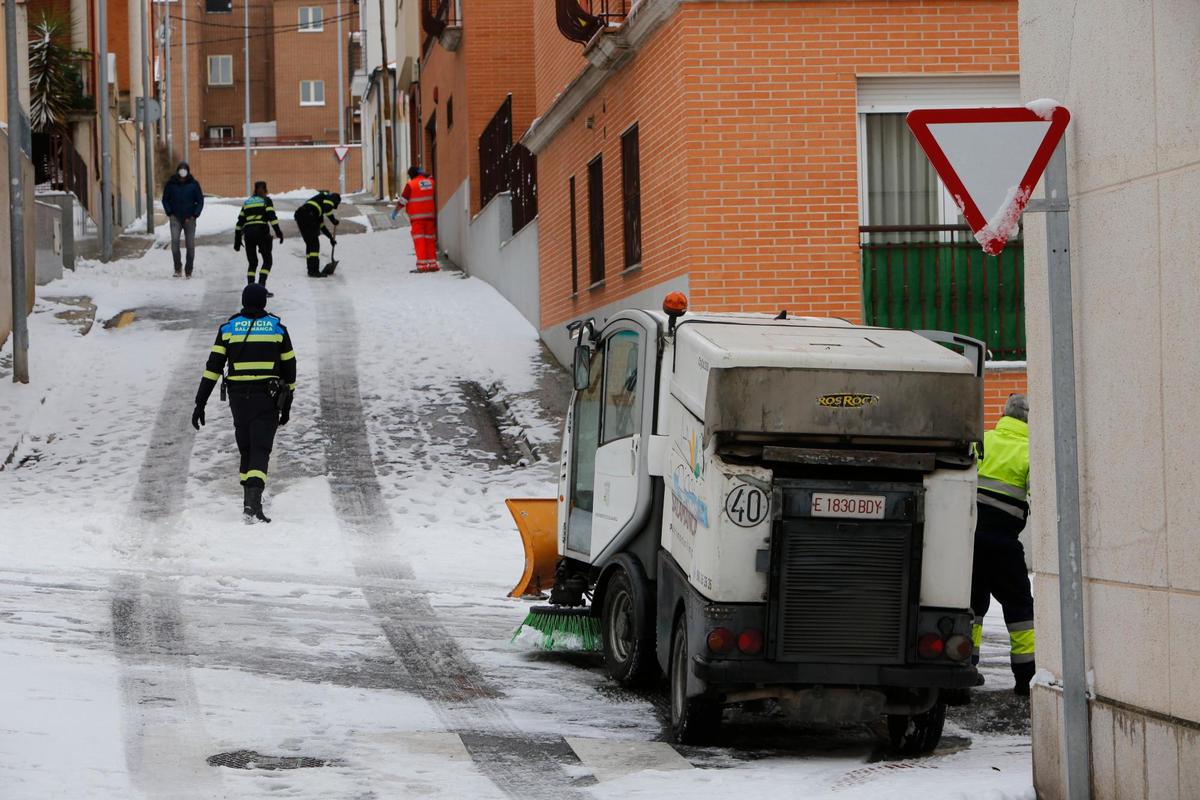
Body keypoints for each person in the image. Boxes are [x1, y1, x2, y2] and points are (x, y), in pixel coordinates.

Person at [191, 283, 296, 523]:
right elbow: (290, 369)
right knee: (261, 448)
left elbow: (213, 369)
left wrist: (200, 403)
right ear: (264, 303)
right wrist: (287, 403)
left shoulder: (228, 328)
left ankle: (248, 500)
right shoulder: (277, 328)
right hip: (267, 397)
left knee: (246, 447)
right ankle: (253, 503)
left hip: (238, 398)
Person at [970, 393, 1035, 696]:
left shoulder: (982, 440)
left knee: (970, 608)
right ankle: (1026, 679)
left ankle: (962, 672)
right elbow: (1041, 497)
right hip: (1005, 546)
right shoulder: (1030, 452)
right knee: (1020, 610)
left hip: (968, 540)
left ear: (1004, 414)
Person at [235, 181, 285, 295]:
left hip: (248, 234)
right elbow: (272, 217)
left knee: (252, 263)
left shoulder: (247, 202)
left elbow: (240, 223)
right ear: (266, 189)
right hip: (262, 233)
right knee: (267, 260)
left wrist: (237, 240)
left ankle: (250, 290)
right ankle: (261, 287)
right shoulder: (266, 201)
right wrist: (279, 232)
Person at [162, 162, 204, 278]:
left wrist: (195, 215)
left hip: (190, 219)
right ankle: (177, 268)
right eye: (181, 169)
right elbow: (165, 199)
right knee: (175, 243)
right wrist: (169, 212)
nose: (182, 171)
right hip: (175, 218)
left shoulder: (194, 185)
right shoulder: (171, 184)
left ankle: (189, 270)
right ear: (177, 171)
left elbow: (200, 201)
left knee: (190, 245)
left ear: (188, 171)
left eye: (184, 169)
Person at [395, 166, 439, 272]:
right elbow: (432, 178)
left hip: (417, 219)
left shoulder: (411, 185)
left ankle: (422, 266)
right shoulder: (430, 182)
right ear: (419, 173)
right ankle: (432, 264)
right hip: (430, 217)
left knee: (420, 241)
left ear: (410, 175)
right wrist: (425, 174)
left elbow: (403, 201)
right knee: (430, 240)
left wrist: (395, 210)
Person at [294, 190, 340, 278]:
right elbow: (328, 208)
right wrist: (333, 220)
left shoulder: (318, 209)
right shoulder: (327, 197)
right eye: (334, 205)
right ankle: (314, 271)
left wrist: (331, 238)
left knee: (310, 244)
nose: (332, 207)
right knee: (314, 244)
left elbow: (322, 226)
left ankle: (311, 270)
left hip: (301, 217)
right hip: (308, 216)